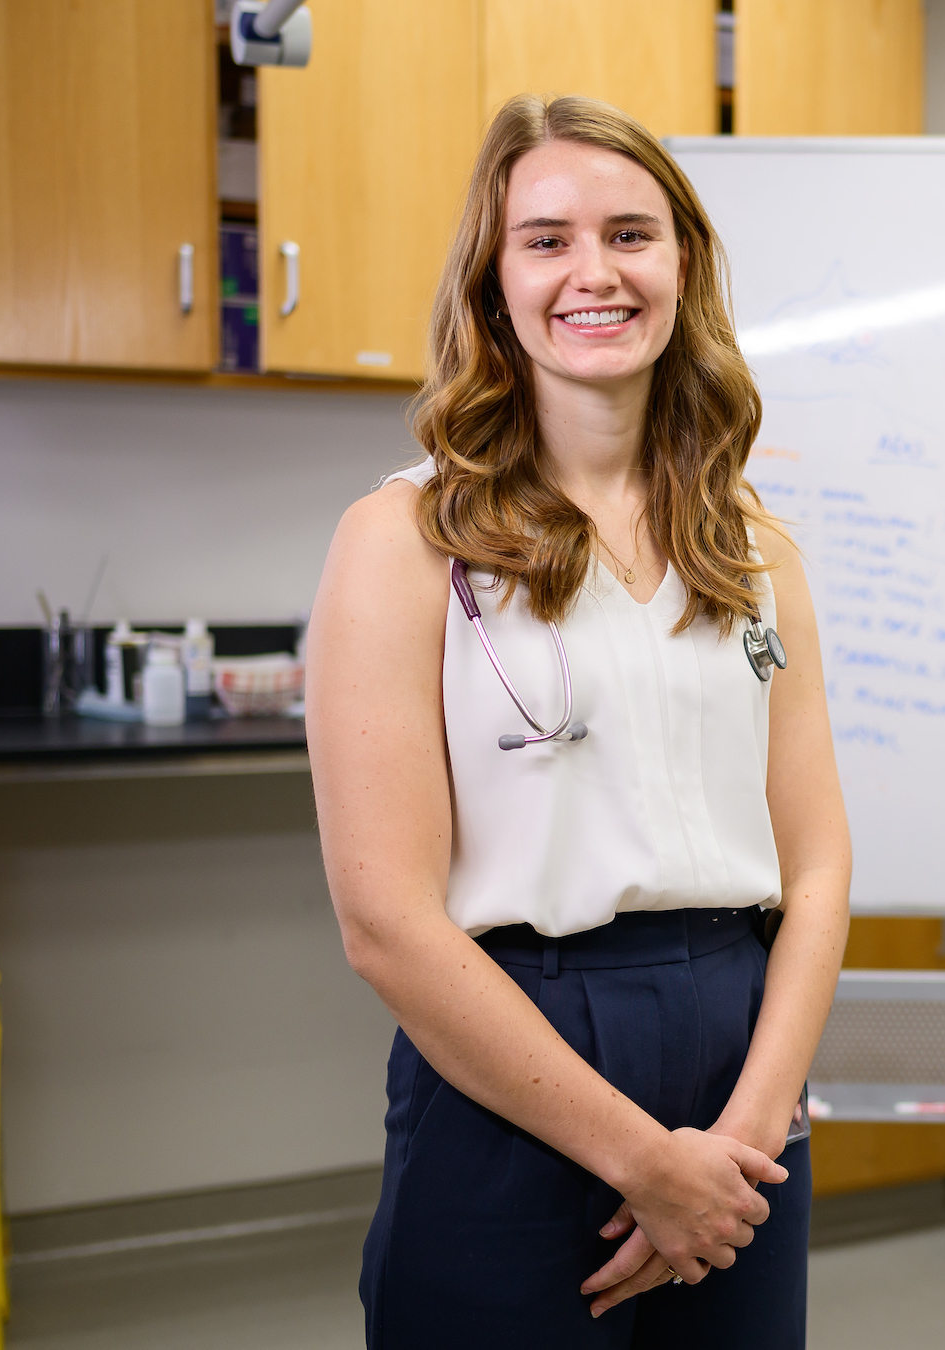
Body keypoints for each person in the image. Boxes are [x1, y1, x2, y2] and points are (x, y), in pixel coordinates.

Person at [306, 93, 850, 1349]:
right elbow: (386, 923)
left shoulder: (756, 549)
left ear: (682, 267)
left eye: (630, 234)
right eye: (545, 240)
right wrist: (644, 1163)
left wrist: (749, 1133)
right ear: (495, 287)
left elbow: (817, 867)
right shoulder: (402, 541)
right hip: (517, 1058)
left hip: (742, 1061)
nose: (592, 271)